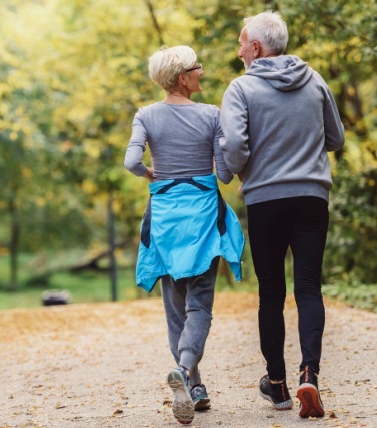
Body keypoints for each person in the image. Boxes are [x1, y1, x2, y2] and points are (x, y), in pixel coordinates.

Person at [219, 11, 345, 419]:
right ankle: (310, 372)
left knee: (271, 292)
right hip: (312, 197)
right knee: (309, 288)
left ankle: (277, 385)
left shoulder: (241, 88)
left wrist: (243, 170)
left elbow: (234, 145)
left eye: (241, 43)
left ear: (256, 48)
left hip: (266, 200)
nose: (239, 51)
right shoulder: (315, 80)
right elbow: (336, 137)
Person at [125, 45, 245, 425]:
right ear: (183, 78)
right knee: (201, 303)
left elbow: (131, 162)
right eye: (197, 67)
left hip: (164, 219)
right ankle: (187, 367)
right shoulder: (211, 116)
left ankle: (192, 384)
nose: (202, 71)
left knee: (175, 306)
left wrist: (151, 175)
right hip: (203, 218)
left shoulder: (145, 116)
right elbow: (224, 174)